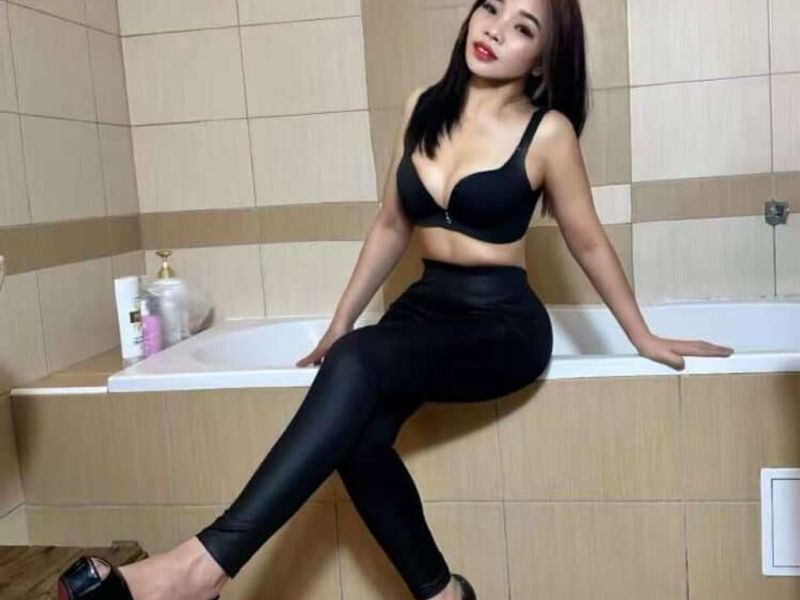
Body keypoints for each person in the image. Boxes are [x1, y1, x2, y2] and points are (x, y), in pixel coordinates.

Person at [56, 1, 734, 599]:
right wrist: (339, 323)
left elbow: (588, 242)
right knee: (357, 432)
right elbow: (390, 225)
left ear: (542, 58)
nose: (495, 30)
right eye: (490, 7)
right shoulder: (421, 108)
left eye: (523, 27)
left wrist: (642, 336)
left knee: (358, 368)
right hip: (425, 306)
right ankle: (442, 594)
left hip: (502, 325)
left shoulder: (547, 131)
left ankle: (198, 568)